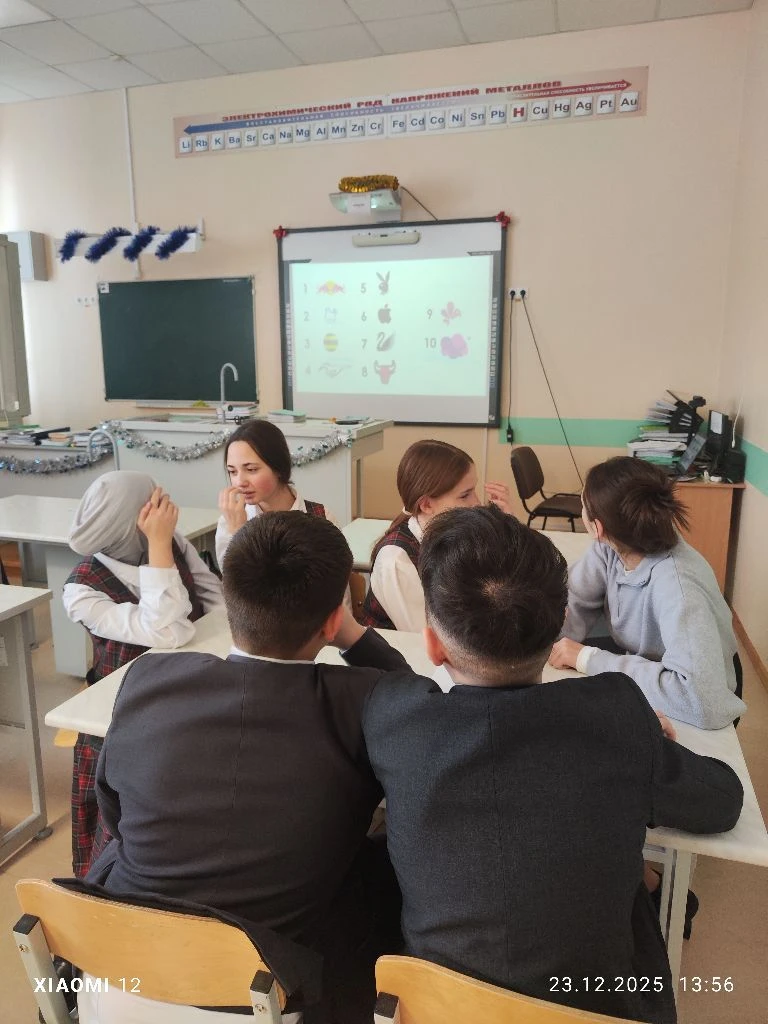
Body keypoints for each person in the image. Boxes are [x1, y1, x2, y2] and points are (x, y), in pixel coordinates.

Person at [362, 505, 743, 1024]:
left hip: (437, 1007)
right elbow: (722, 802)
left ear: (432, 645)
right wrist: (644, 743)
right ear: (559, 627)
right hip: (601, 1005)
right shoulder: (614, 713)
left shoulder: (393, 717)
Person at [86, 512, 409, 1022]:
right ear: (331, 622)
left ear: (229, 596)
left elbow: (114, 813)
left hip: (113, 971)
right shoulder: (360, 698)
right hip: (263, 989)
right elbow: (413, 696)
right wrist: (349, 632)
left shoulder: (149, 676)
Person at [64, 471, 223, 877]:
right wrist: (158, 546)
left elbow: (216, 601)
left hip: (192, 683)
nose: (166, 506)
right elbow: (167, 630)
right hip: (126, 709)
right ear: (133, 518)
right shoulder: (81, 590)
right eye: (155, 499)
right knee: (129, 823)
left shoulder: (174, 542)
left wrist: (163, 544)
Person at [549, 456, 746, 730]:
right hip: (649, 667)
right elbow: (570, 603)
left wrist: (587, 658)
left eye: (583, 504)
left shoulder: (678, 587)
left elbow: (701, 701)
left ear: (597, 527)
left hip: (698, 684)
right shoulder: (612, 546)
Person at [360, 438, 511, 630]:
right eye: (465, 495)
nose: (477, 503)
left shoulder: (455, 533)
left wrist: (506, 529)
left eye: (474, 490)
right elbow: (426, 636)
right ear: (426, 505)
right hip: (407, 648)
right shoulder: (396, 560)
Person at [215, 418, 333, 568]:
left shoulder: (320, 516)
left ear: (279, 467)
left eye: (251, 469)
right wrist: (238, 533)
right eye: (232, 472)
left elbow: (334, 579)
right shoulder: (230, 521)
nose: (240, 482)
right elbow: (235, 581)